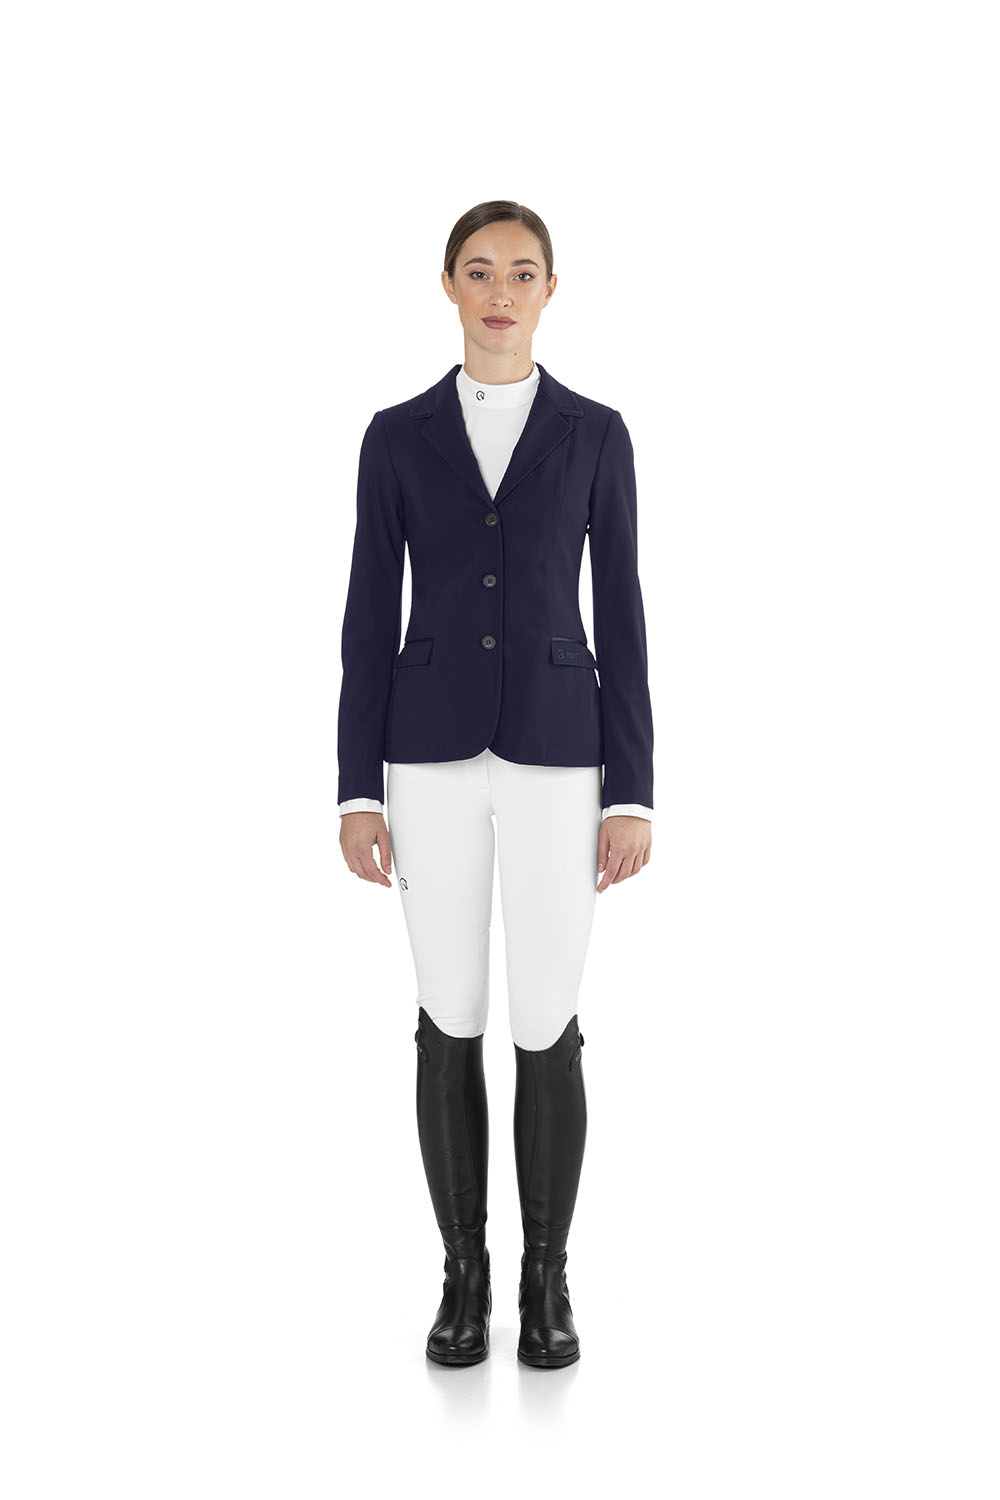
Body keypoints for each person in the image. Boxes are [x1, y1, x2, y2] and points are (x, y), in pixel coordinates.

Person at [337, 201, 654, 1368]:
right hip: (424, 754)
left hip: (560, 754)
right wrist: (355, 789)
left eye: (522, 273)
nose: (500, 292)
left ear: (550, 290)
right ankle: (462, 1278)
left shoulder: (596, 434)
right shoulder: (395, 436)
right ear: (448, 286)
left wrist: (632, 791)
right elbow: (366, 617)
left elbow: (622, 612)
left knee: (546, 1017)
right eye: (479, 271)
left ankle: (545, 1280)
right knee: (448, 1011)